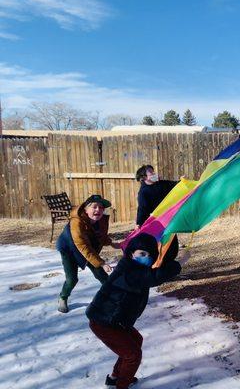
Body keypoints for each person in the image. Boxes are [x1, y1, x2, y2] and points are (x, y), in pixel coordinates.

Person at [86, 233, 188, 389]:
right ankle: (122, 385)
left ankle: (115, 377)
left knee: (136, 341)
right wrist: (178, 264)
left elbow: (154, 271)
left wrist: (171, 251)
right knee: (133, 355)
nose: (145, 257)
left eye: (149, 255)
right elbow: (153, 278)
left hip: (116, 320)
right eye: (141, 253)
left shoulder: (139, 269)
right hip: (104, 321)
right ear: (131, 253)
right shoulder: (127, 270)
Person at [56, 195, 120, 313]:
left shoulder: (100, 220)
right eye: (94, 207)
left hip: (88, 249)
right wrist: (101, 262)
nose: (98, 210)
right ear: (85, 209)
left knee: (102, 275)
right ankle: (63, 297)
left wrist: (112, 244)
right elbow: (82, 245)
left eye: (101, 208)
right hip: (69, 249)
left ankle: (113, 298)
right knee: (72, 279)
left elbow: (100, 236)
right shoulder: (77, 221)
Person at [135, 165, 177, 229]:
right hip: (155, 222)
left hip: (167, 219)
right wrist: (139, 223)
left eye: (153, 171)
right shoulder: (143, 192)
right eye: (151, 172)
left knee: (171, 238)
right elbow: (142, 209)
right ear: (144, 177)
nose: (154, 173)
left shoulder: (161, 184)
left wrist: (182, 181)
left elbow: (174, 185)